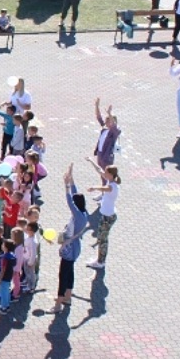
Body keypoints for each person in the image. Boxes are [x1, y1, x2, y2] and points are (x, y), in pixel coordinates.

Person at [50, 164, 91, 313]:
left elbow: (69, 200)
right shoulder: (83, 212)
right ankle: (68, 296)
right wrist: (71, 179)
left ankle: (58, 304)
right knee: (70, 272)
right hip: (75, 247)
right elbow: (75, 194)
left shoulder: (78, 215)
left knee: (63, 275)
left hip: (70, 248)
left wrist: (66, 186)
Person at [84, 157, 120, 270]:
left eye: (106, 172)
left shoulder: (112, 186)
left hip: (108, 217)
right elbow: (99, 170)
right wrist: (91, 161)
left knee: (103, 240)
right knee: (101, 238)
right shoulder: (111, 181)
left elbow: (105, 188)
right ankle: (99, 259)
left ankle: (101, 262)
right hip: (107, 215)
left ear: (111, 175)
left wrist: (94, 187)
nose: (104, 173)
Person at [92, 98, 121, 170]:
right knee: (101, 173)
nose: (106, 122)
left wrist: (109, 113)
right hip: (100, 155)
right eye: (106, 121)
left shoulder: (115, 131)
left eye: (108, 121)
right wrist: (97, 106)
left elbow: (114, 125)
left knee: (106, 174)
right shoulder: (105, 129)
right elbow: (99, 117)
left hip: (107, 157)